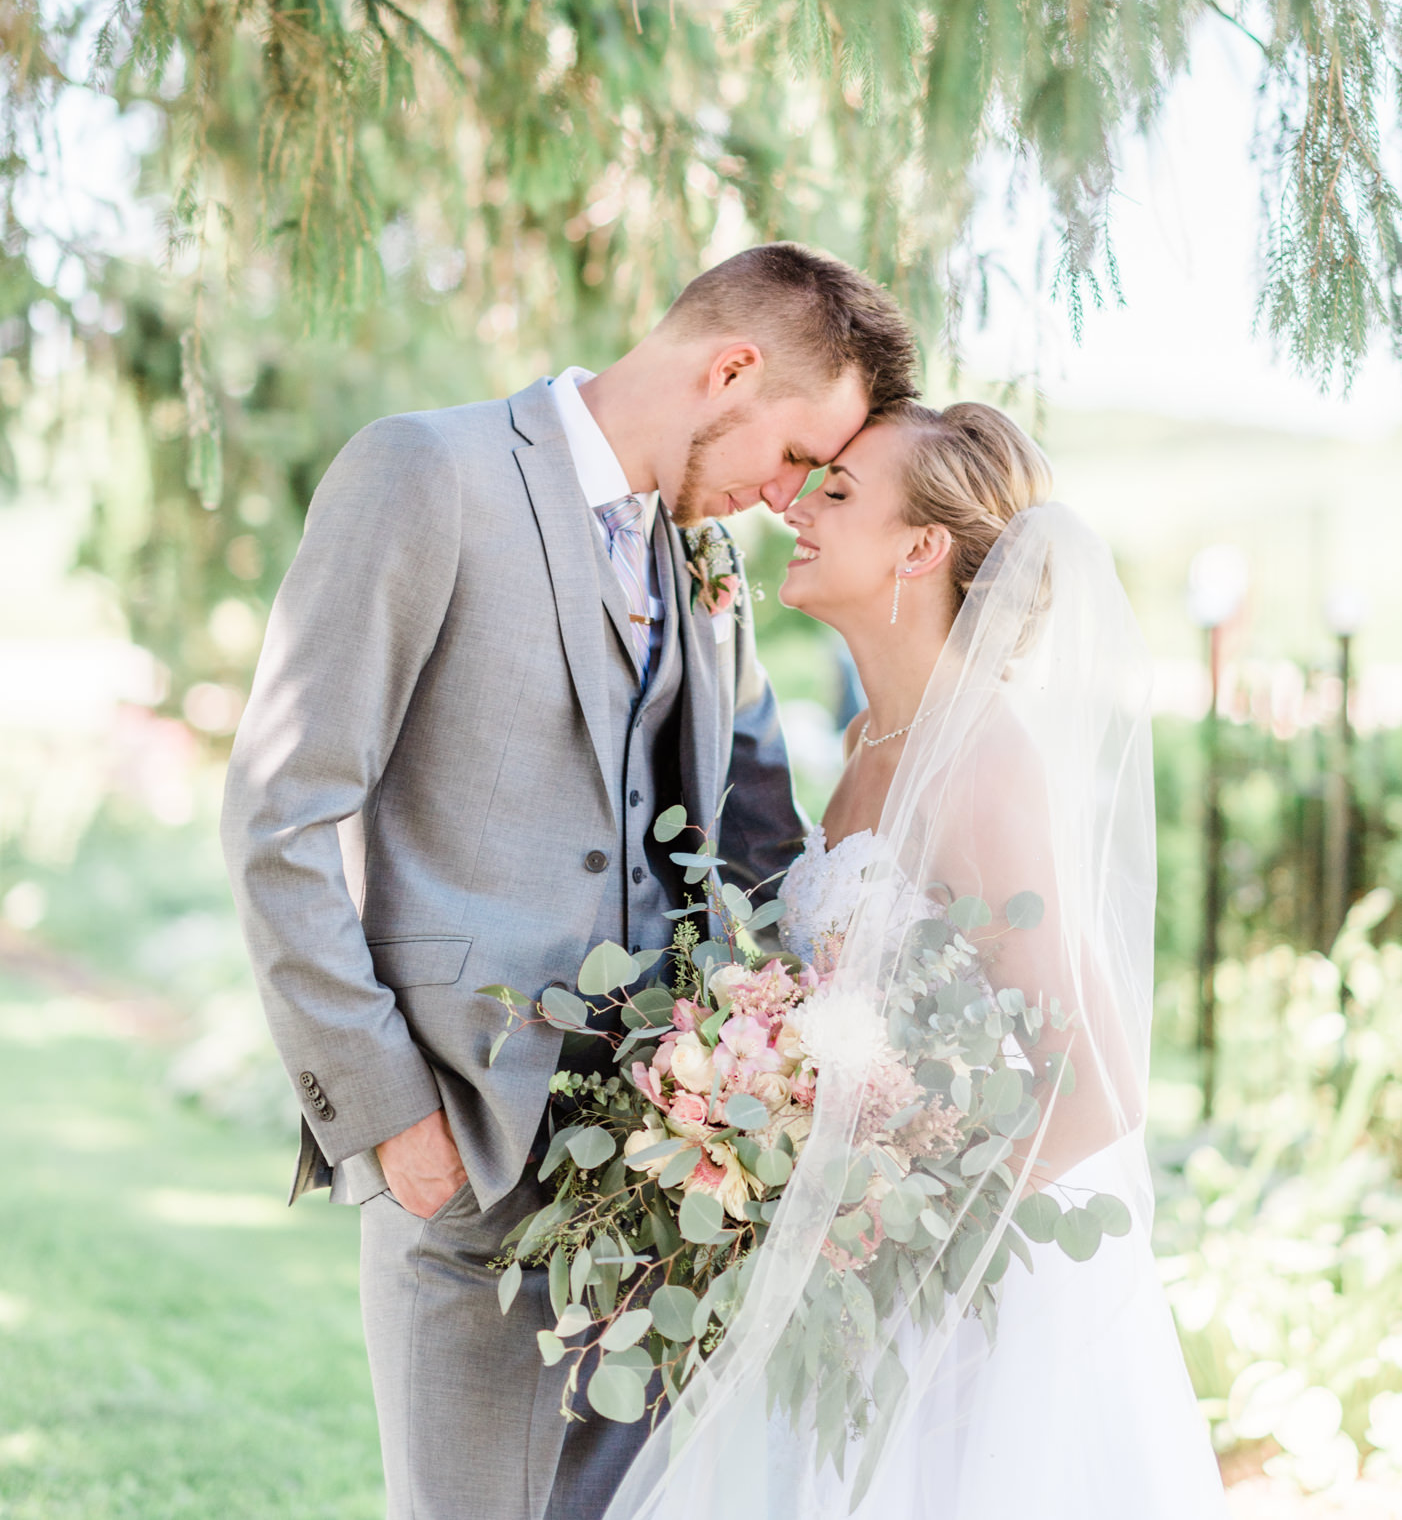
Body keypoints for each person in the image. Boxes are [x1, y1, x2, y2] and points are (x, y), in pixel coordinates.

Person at [219, 242, 919, 1520]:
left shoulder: (706, 569)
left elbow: (757, 841)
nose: (786, 499)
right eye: (791, 456)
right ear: (730, 369)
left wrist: (824, 1067)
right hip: (463, 1146)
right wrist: (381, 1106)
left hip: (672, 1175)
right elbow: (281, 809)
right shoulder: (425, 471)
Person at [603, 401, 1227, 1520]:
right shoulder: (869, 743)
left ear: (919, 548)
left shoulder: (982, 760)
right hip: (850, 1275)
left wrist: (877, 1218)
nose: (794, 506)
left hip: (957, 1317)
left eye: (835, 494)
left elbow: (1094, 1090)